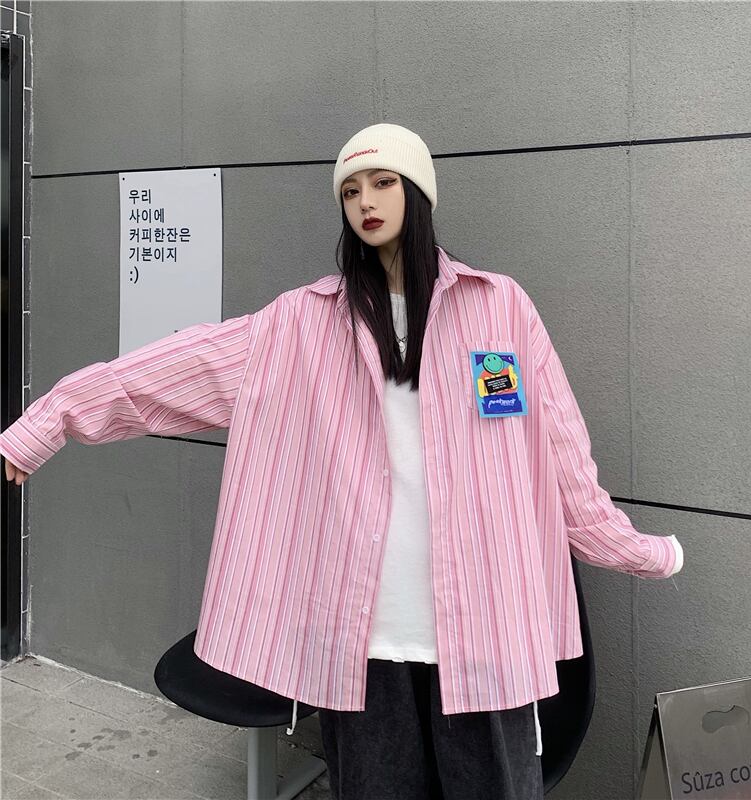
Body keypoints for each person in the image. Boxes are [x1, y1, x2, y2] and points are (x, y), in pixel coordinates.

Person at [0, 122, 683, 800]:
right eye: (351, 190)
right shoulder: (303, 322)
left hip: (483, 621)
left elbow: (561, 450)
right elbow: (178, 369)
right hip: (364, 630)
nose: (365, 201)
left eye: (383, 182)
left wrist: (632, 548)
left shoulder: (499, 307)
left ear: (418, 191)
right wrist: (46, 422)